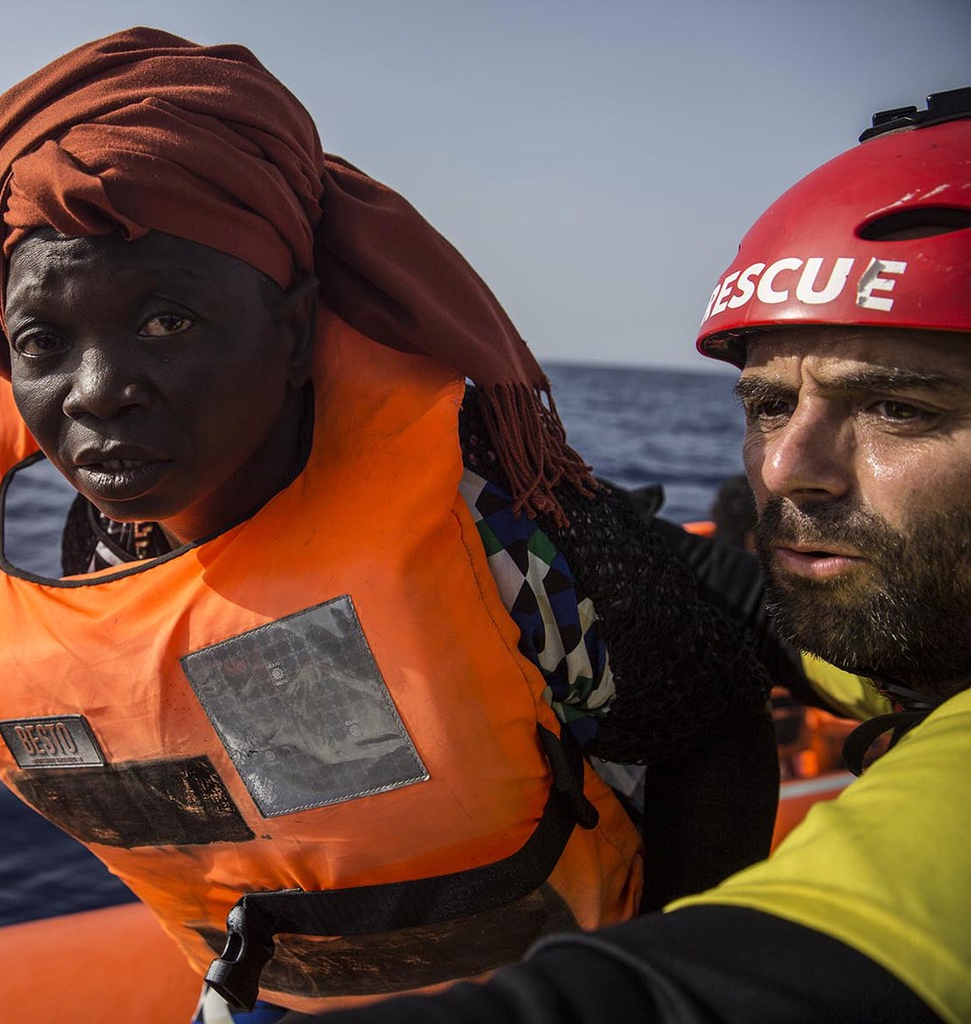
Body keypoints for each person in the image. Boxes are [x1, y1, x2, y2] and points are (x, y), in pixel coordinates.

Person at [0, 28, 775, 1018]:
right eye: (43, 341)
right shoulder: (102, 548)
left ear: (289, 331)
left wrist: (655, 988)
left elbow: (718, 721)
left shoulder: (492, 536)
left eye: (167, 323)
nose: (98, 392)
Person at [312, 88, 971, 1023]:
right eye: (769, 405)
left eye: (900, 408)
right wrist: (598, 526)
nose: (787, 470)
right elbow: (763, 617)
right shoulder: (930, 639)